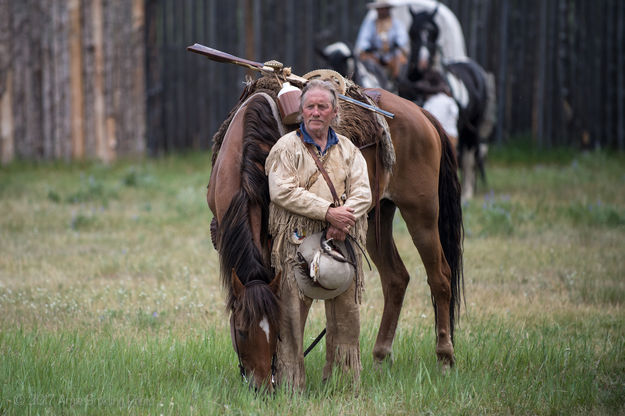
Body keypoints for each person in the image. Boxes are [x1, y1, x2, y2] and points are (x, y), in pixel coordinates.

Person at [265, 80, 372, 390]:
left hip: (341, 241)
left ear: (333, 112)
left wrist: (343, 217)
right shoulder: (286, 148)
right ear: (301, 111)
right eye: (309, 106)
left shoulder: (349, 150)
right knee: (291, 320)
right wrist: (328, 212)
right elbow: (281, 190)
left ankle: (341, 385)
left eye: (322, 106)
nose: (315, 112)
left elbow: (364, 191)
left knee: (346, 319)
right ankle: (290, 387)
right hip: (295, 245)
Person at [354, 1, 410, 81]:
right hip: (375, 55)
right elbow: (363, 39)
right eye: (380, 9)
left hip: (392, 54)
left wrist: (397, 44)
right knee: (365, 61)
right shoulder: (370, 24)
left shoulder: (396, 23)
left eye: (384, 9)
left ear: (388, 9)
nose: (382, 11)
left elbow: (402, 37)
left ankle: (397, 83)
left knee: (401, 60)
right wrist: (368, 48)